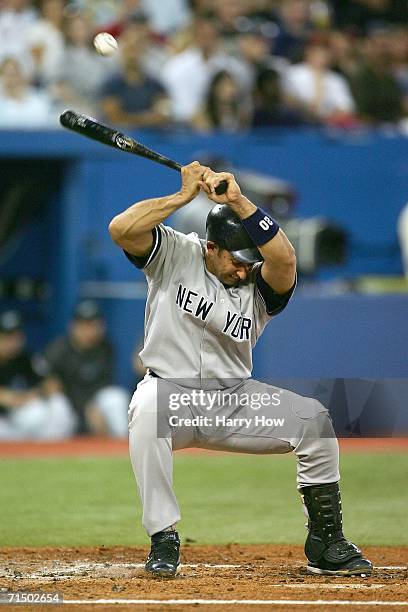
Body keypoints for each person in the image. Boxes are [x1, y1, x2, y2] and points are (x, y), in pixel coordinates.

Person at [108, 161, 372, 579]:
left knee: (314, 421)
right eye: (236, 258)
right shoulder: (176, 253)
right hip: (171, 395)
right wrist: (181, 197)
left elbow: (284, 260)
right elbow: (122, 229)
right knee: (147, 410)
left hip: (234, 400)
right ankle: (163, 537)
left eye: (250, 259)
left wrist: (239, 201)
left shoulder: (257, 282)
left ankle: (327, 541)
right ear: (211, 247)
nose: (244, 268)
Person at [44, 300, 129, 437]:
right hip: (69, 406)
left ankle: (122, 448)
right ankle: (48, 452)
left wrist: (93, 407)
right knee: (57, 406)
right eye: (84, 325)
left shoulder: (105, 347)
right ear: (73, 326)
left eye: (93, 325)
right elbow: (48, 384)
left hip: (94, 404)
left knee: (116, 398)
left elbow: (105, 384)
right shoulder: (59, 349)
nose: (89, 330)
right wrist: (85, 408)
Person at [0, 310, 75, 440]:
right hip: (4, 421)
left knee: (57, 404)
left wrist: (30, 395)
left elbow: (53, 384)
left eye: (16, 336)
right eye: (7, 337)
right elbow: (7, 399)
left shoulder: (27, 358)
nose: (12, 342)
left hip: (22, 415)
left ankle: (51, 450)